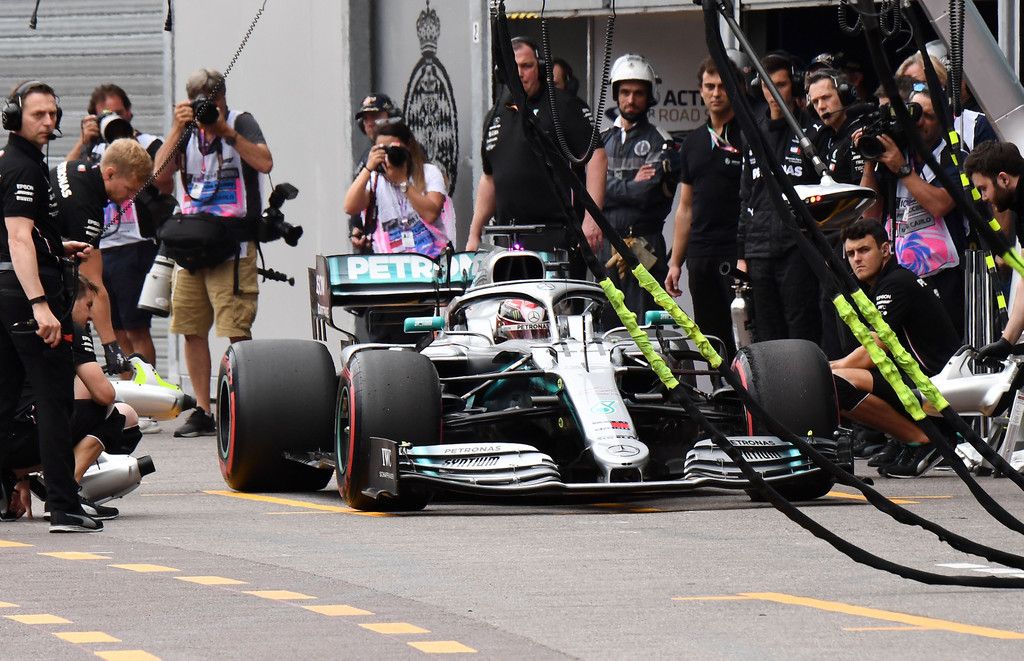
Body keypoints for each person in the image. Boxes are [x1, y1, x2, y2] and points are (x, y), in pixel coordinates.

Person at [0, 79, 101, 532]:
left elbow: (21, 235)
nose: (48, 121)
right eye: (38, 114)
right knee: (54, 400)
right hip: (27, 297)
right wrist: (40, 304)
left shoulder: (13, 163)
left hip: (7, 292)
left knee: (5, 400)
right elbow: (18, 238)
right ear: (14, 118)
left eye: (53, 114)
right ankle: (63, 505)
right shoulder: (23, 168)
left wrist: (57, 247)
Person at [152, 68, 273, 438]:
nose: (207, 108)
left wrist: (225, 132)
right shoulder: (186, 132)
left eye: (213, 101)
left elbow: (265, 163)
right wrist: (176, 129)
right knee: (190, 328)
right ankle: (204, 410)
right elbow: (158, 179)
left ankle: (249, 406)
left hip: (231, 244)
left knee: (235, 328)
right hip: (190, 243)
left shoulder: (240, 122)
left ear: (222, 98)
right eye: (200, 103)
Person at [466, 36, 607, 279]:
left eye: (527, 66)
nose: (520, 73)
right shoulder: (495, 114)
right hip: (507, 242)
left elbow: (597, 156)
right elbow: (490, 178)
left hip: (557, 238)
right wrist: (474, 233)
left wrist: (592, 220)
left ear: (540, 68)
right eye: (513, 67)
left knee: (556, 303)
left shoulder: (563, 105)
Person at [2, 276, 141, 521]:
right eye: (89, 305)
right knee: (116, 413)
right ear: (68, 299)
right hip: (27, 437)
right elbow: (104, 394)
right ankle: (65, 493)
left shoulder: (16, 322)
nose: (91, 316)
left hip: (8, 437)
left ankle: (15, 476)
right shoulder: (67, 329)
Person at [830, 219, 961, 478]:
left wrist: (825, 368)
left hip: (935, 387)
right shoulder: (883, 283)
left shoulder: (895, 284)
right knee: (835, 379)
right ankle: (904, 439)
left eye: (864, 250)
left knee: (834, 383)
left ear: (885, 250)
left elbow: (873, 352)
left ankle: (924, 440)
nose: (857, 259)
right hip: (920, 379)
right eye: (851, 254)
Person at [859, 86, 966, 336]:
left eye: (929, 116)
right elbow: (870, 215)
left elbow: (939, 205)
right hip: (901, 275)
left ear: (944, 120)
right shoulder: (896, 155)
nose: (920, 122)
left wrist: (902, 169)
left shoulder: (954, 157)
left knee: (945, 344)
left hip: (945, 275)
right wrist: (869, 163)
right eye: (915, 113)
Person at [50, 138, 154, 375]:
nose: (131, 199)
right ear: (110, 173)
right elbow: (93, 285)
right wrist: (111, 347)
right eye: (130, 189)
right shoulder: (86, 206)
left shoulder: (76, 167)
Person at [737, 53, 821, 343]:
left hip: (798, 246)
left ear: (793, 86)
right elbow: (746, 196)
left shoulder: (811, 132)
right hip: (758, 248)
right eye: (767, 85)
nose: (773, 93)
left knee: (801, 329)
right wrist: (741, 254)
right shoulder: (752, 134)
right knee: (767, 333)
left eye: (781, 85)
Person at [665, 56, 742, 359]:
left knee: (742, 335)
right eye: (709, 86)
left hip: (736, 252)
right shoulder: (692, 142)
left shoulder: (749, 136)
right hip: (700, 254)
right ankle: (720, 389)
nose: (716, 93)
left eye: (722, 86)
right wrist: (675, 262)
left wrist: (746, 255)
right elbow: (685, 207)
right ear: (700, 90)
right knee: (711, 339)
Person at [599, 54, 679, 320]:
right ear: (616, 94)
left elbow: (645, 194)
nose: (631, 100)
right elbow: (589, 191)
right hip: (605, 247)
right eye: (625, 92)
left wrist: (608, 185)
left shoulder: (661, 141)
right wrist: (630, 184)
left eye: (638, 93)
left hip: (644, 245)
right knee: (606, 324)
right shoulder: (601, 140)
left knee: (646, 326)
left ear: (650, 96)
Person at [805, 69, 869, 358]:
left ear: (843, 94)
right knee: (827, 309)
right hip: (828, 242)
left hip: (853, 240)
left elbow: (864, 197)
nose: (822, 106)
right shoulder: (822, 138)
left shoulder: (858, 134)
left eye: (827, 98)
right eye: (816, 101)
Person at [343, 121, 451, 257]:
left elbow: (430, 215)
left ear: (408, 147)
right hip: (389, 264)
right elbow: (349, 207)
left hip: (430, 259)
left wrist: (402, 182)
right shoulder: (375, 179)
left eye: (394, 149)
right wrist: (368, 167)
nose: (389, 156)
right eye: (383, 150)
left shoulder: (429, 173)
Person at [965, 141, 1024, 361]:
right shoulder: (1020, 212)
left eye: (983, 188)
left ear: (1003, 179)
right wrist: (1006, 341)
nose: (984, 197)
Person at [349, 93, 401, 254]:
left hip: (405, 245)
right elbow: (353, 205)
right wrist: (356, 228)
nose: (370, 122)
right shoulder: (366, 157)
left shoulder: (407, 151)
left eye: (376, 116)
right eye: (366, 118)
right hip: (375, 248)